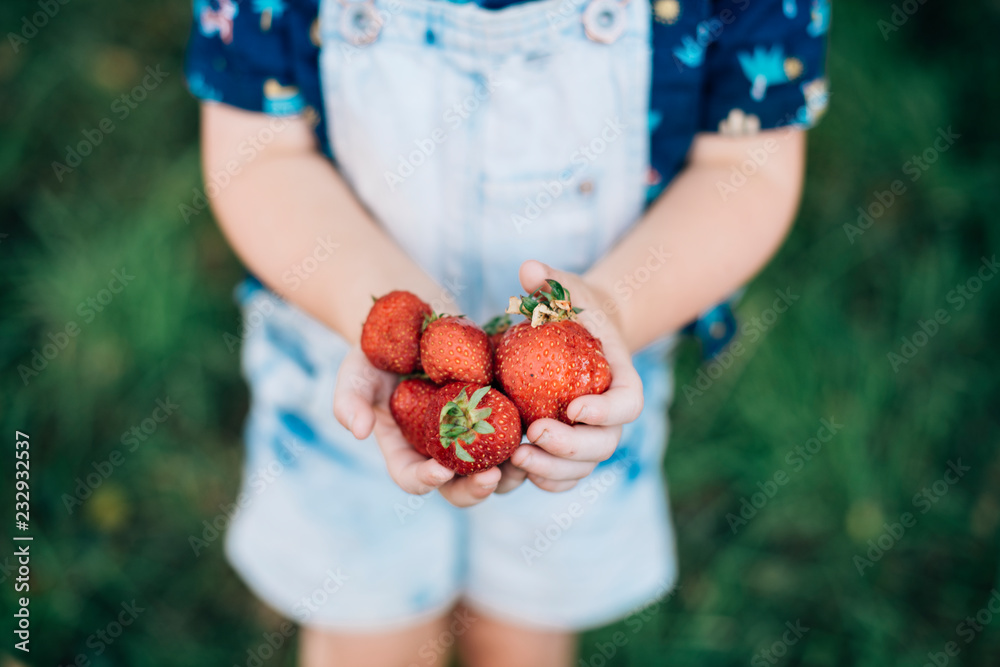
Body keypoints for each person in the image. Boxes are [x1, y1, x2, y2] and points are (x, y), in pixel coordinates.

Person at [185, 0, 829, 664]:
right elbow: (261, 156)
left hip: (583, 405)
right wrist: (385, 314)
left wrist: (612, 305)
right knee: (367, 635)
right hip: (344, 371)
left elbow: (744, 165)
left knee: (524, 630)